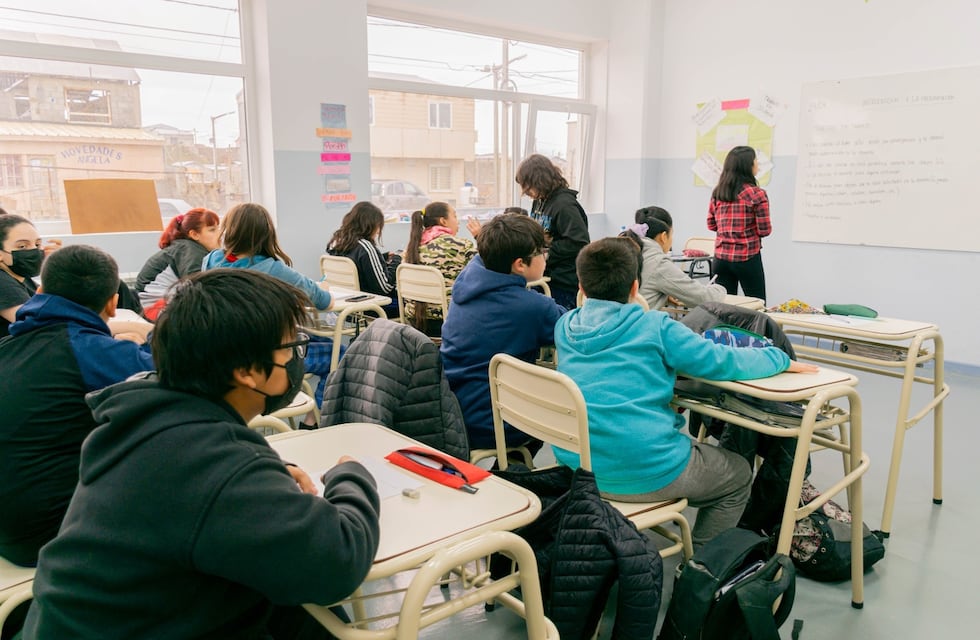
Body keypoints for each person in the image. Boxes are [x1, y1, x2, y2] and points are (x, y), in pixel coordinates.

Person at [23, 269, 381, 639]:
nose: (296, 359)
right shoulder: (215, 464)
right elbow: (337, 562)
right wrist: (350, 475)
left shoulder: (147, 419)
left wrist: (264, 479)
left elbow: (198, 496)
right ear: (245, 371)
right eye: (291, 348)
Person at [553, 238, 818, 548]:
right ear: (635, 287)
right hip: (647, 470)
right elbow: (721, 361)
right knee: (738, 475)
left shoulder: (565, 326)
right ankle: (705, 566)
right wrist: (778, 358)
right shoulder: (655, 327)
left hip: (577, 467)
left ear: (581, 288)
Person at [441, 213, 566, 451]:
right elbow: (571, 330)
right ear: (519, 264)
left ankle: (510, 469)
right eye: (542, 251)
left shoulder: (467, 283)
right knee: (559, 407)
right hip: (493, 422)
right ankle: (513, 471)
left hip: (451, 410)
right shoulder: (533, 307)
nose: (545, 256)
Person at [202, 202, 334, 412]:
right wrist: (324, 288)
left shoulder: (210, 261)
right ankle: (317, 421)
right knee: (338, 353)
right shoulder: (273, 269)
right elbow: (323, 301)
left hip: (222, 355)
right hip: (264, 360)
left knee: (318, 341)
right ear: (267, 233)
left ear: (229, 229)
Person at [515, 154, 590, 310]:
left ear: (539, 180)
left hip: (563, 282)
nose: (525, 191)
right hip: (544, 275)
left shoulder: (565, 206)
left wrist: (548, 250)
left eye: (527, 185)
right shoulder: (540, 201)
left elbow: (579, 243)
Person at [620, 205, 727, 310]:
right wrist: (720, 288)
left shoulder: (623, 250)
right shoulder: (659, 263)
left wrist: (663, 295)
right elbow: (705, 298)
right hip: (638, 325)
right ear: (663, 236)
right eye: (671, 234)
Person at [403, 201, 479, 334]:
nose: (458, 222)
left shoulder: (411, 249)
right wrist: (480, 237)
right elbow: (488, 269)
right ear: (443, 221)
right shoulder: (462, 246)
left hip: (414, 322)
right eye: (455, 216)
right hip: (449, 321)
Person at [708, 145, 771, 302]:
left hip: (721, 259)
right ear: (748, 166)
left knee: (725, 306)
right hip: (747, 258)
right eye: (755, 161)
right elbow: (765, 230)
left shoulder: (718, 192)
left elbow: (711, 224)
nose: (757, 164)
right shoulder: (757, 194)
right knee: (757, 304)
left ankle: (725, 328)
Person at [135, 207, 221, 320]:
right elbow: (197, 286)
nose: (219, 234)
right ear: (194, 234)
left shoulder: (185, 248)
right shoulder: (191, 251)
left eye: (218, 228)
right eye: (212, 230)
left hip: (157, 304)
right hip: (155, 308)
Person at [326, 201, 400, 317]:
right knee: (410, 306)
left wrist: (383, 257)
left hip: (346, 305)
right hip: (371, 307)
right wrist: (397, 260)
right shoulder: (365, 247)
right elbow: (385, 287)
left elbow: (358, 264)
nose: (378, 231)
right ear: (370, 225)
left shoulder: (337, 242)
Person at [0, 211, 43, 339]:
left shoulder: (21, 277)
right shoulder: (2, 283)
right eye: (22, 246)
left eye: (37, 244)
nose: (33, 251)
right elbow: (38, 323)